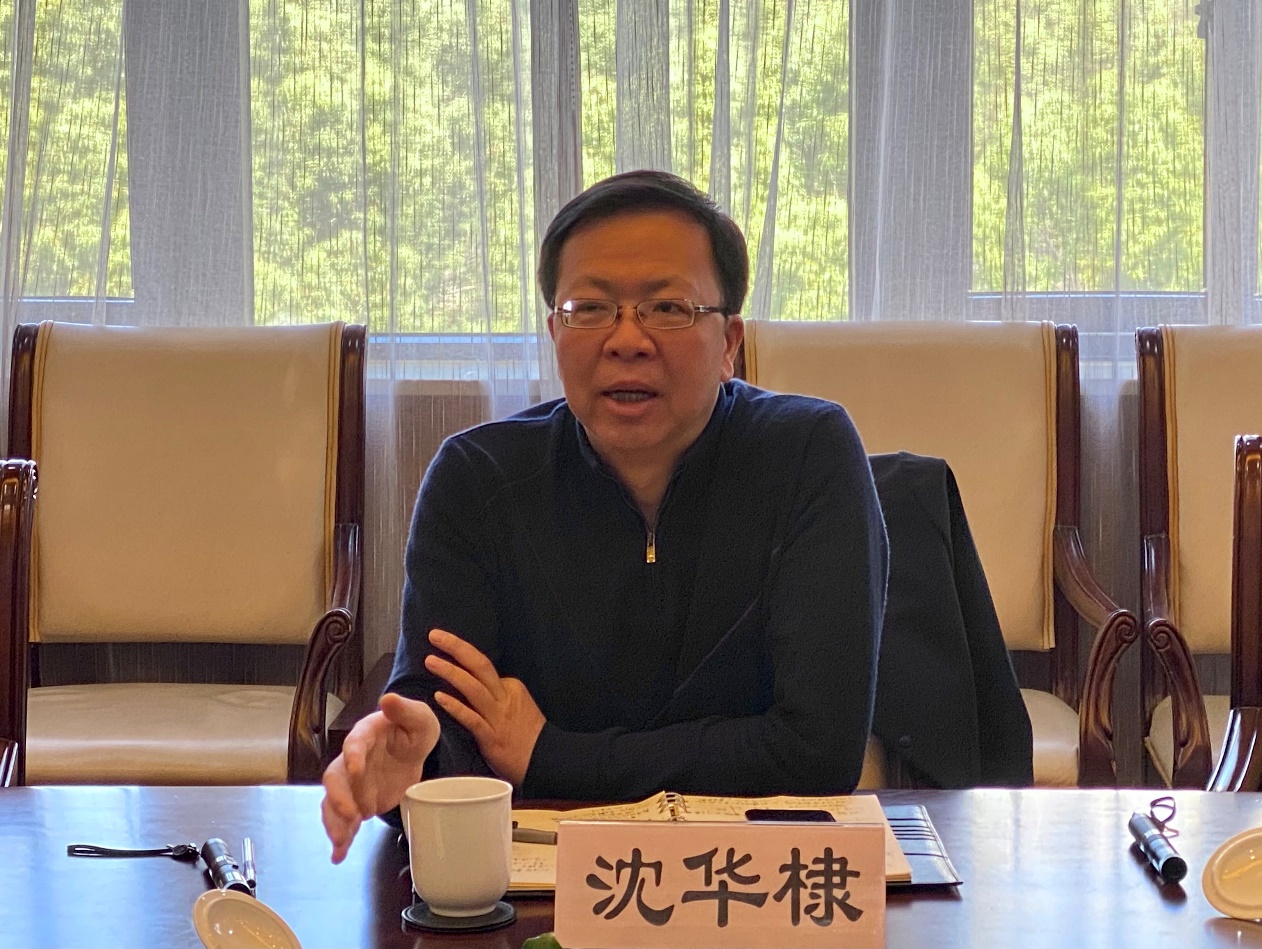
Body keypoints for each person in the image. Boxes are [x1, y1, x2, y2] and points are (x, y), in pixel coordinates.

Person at [321, 170, 888, 863]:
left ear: (729, 343)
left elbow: (818, 751)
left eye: (667, 308)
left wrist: (550, 755)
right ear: (554, 331)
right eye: (589, 308)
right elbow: (440, 717)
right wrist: (417, 757)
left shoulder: (809, 453)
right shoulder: (476, 478)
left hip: (752, 876)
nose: (626, 340)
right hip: (546, 882)